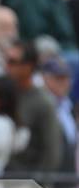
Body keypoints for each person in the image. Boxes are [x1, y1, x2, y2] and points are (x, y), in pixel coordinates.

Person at [6, 40, 62, 173]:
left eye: (13, 62)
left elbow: (52, 152)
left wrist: (36, 187)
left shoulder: (43, 102)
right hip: (1, 183)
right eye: (7, 60)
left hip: (28, 185)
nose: (7, 66)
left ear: (29, 66)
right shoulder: (3, 94)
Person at [42, 57, 77, 188]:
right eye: (58, 78)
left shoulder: (67, 108)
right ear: (46, 78)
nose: (64, 83)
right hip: (48, 185)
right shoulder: (43, 107)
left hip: (68, 184)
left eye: (66, 78)